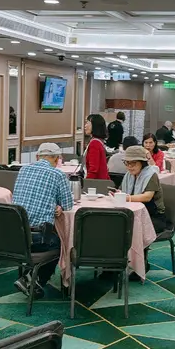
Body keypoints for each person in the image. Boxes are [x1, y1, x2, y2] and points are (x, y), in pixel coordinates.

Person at [12, 142, 73, 297]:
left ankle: (28, 276)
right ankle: (33, 279)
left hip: (16, 234)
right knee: (62, 244)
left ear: (37, 156)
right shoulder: (57, 174)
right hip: (37, 238)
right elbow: (68, 205)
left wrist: (54, 204)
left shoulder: (23, 170)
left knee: (51, 238)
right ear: (57, 159)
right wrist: (59, 205)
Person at [119, 145, 168, 234]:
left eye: (133, 163)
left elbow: (147, 197)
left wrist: (126, 198)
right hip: (133, 214)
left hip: (152, 217)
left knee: (128, 229)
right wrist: (117, 193)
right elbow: (121, 191)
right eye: (127, 163)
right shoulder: (129, 175)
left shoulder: (150, 175)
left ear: (142, 162)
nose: (129, 166)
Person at [84, 114, 110, 180]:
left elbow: (93, 169)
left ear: (95, 125)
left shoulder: (94, 143)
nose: (85, 126)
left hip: (96, 183)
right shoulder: (98, 141)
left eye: (87, 123)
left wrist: (86, 182)